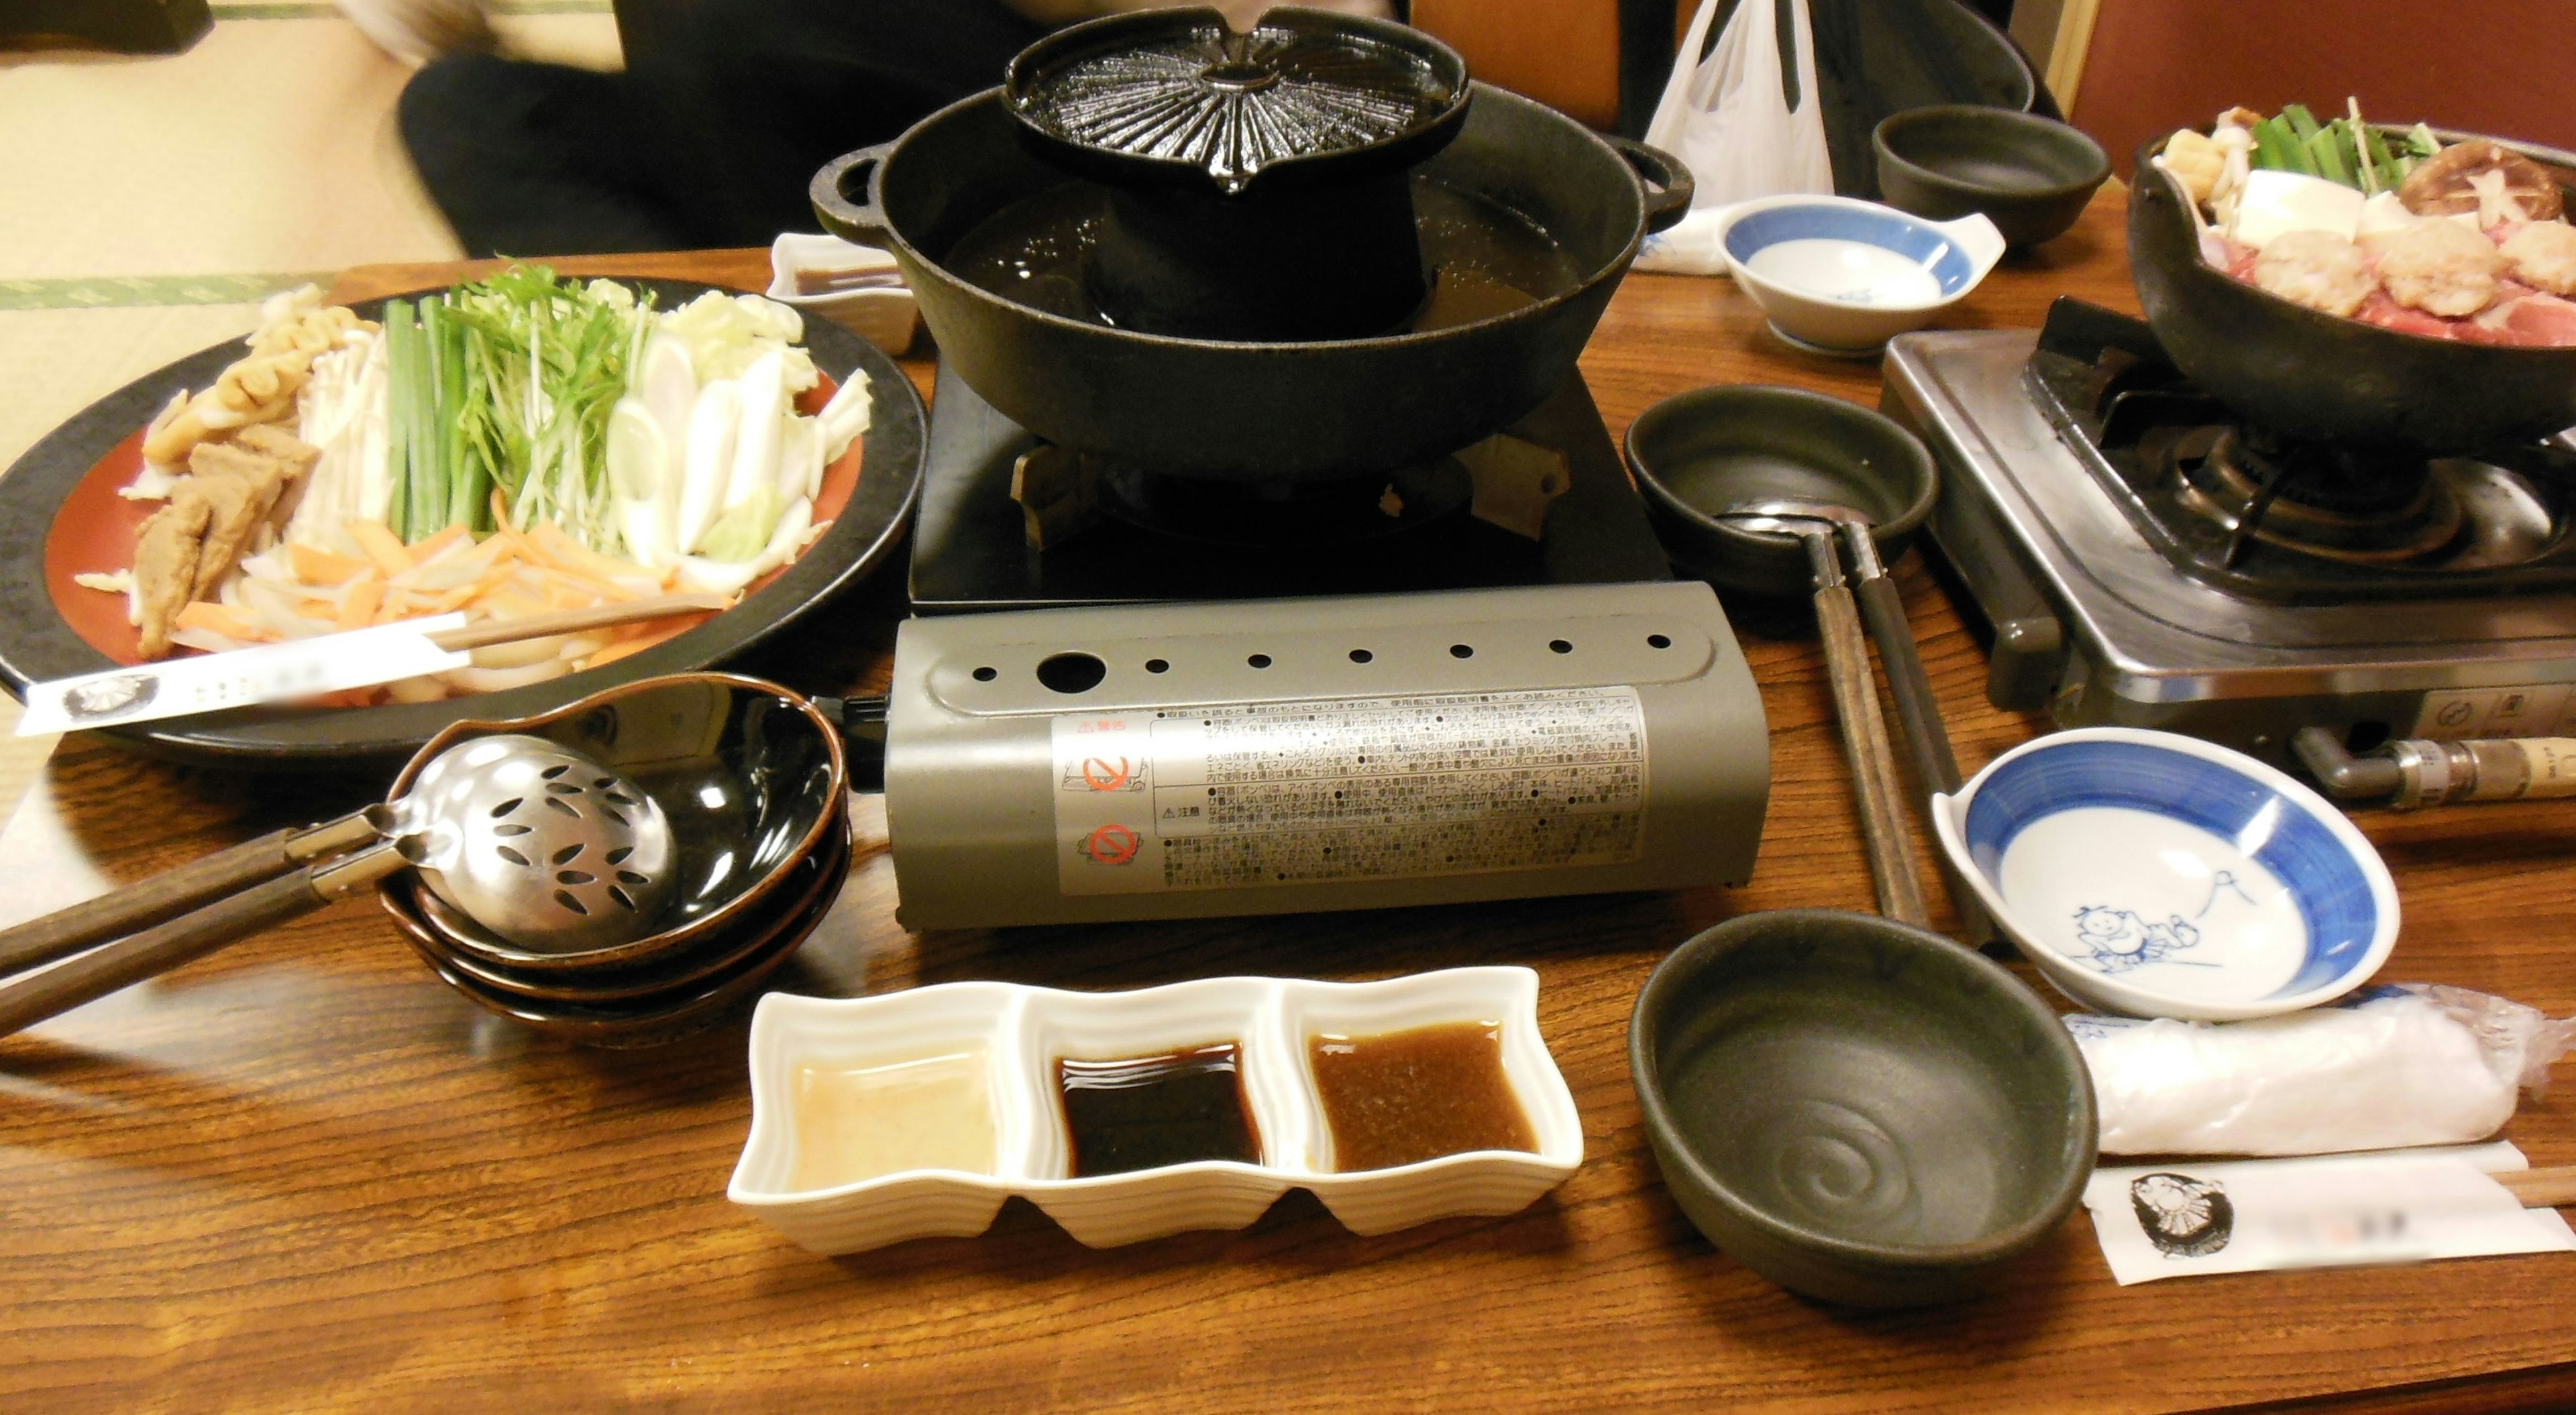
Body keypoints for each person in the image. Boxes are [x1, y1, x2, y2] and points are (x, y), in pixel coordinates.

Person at [357, 0, 1393, 258]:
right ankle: (719, 375)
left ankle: (835, 357)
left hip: (1043, 80)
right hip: (743, 137)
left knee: (719, 20)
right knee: (461, 112)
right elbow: (425, 26)